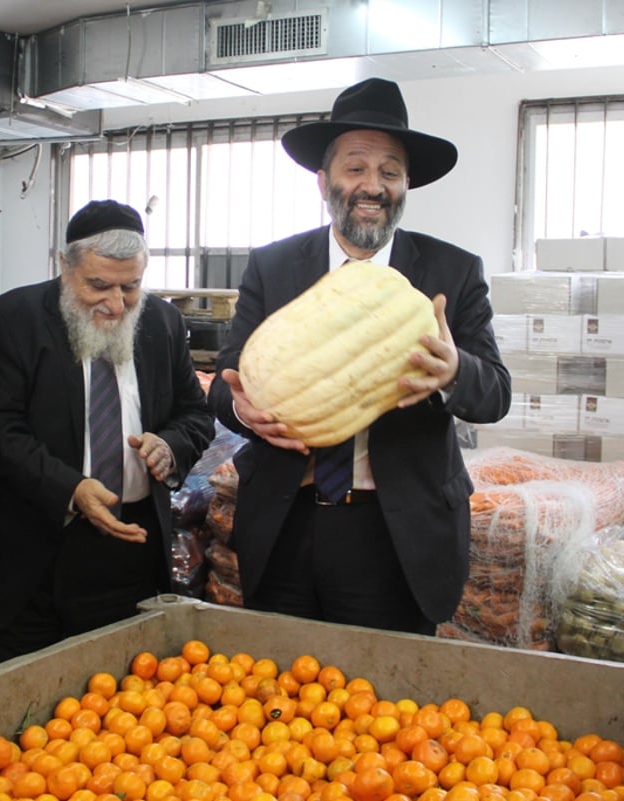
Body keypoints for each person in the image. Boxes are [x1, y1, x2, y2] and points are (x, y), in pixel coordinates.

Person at [207, 78, 511, 634]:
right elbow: (226, 383)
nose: (373, 185)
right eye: (355, 168)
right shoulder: (273, 267)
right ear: (324, 181)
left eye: (390, 172)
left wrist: (453, 372)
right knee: (280, 697)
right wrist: (239, 405)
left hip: (395, 533)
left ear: (406, 185)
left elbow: (495, 392)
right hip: (286, 522)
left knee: (387, 707)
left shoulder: (453, 271)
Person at [0, 200, 214, 669]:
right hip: (32, 558)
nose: (116, 304)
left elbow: (194, 414)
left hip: (128, 551)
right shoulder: (10, 321)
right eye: (99, 285)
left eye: (130, 286)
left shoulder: (162, 323)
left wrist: (169, 447)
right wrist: (70, 488)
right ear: (64, 267)